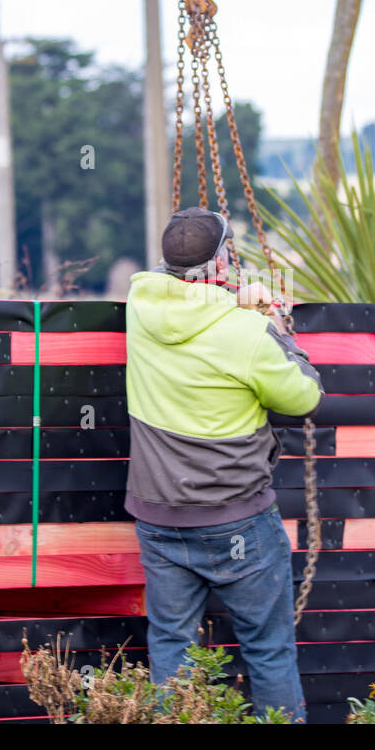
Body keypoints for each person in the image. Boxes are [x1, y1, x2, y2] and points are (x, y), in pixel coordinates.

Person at [124, 206, 323, 721]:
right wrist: (274, 324)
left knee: (171, 647)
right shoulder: (248, 334)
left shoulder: (139, 310)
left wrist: (235, 300)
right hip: (238, 520)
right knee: (267, 649)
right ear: (222, 263)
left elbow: (187, 308)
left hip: (159, 518)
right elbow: (303, 397)